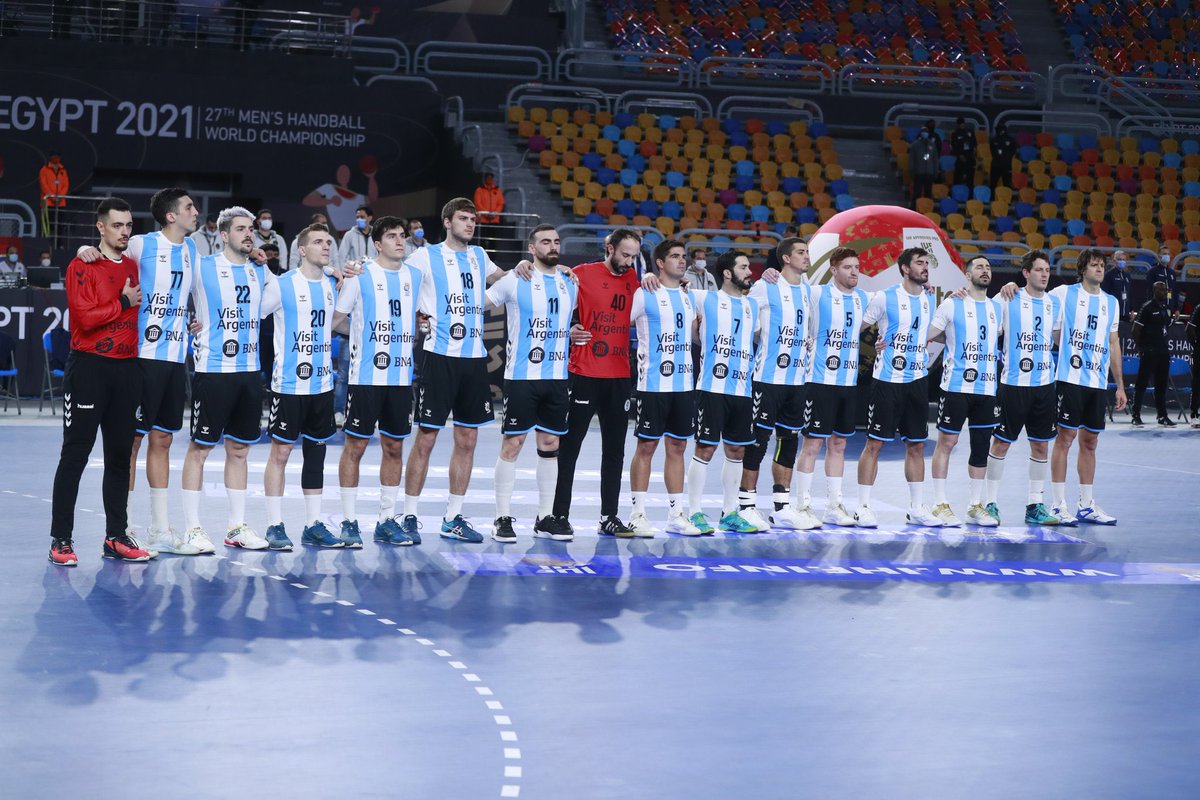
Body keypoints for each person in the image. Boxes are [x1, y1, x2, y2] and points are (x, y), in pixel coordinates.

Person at [78, 187, 201, 553]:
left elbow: (195, 292)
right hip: (141, 356)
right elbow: (105, 255)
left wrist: (195, 321)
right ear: (171, 216)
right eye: (190, 207)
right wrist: (84, 250)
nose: (196, 212)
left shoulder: (194, 249)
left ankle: (159, 529)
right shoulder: (143, 244)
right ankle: (122, 527)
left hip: (176, 358)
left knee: (162, 440)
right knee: (130, 443)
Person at [49, 197, 152, 565]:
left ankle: (115, 536)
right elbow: (85, 318)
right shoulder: (82, 264)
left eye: (128, 225)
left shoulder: (135, 265)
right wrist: (123, 302)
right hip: (89, 368)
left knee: (120, 458)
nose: (124, 231)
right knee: (75, 454)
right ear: (101, 228)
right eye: (117, 225)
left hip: (127, 370)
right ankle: (60, 540)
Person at [401, 198, 510, 543]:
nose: (470, 224)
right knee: (427, 438)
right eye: (463, 218)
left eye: (473, 219)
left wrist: (535, 270)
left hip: (474, 358)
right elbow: (398, 283)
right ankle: (408, 515)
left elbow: (506, 281)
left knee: (469, 438)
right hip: (439, 356)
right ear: (447, 222)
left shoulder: (479, 256)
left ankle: (453, 516)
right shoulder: (424, 256)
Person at [179, 206, 274, 552]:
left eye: (251, 229)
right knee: (200, 450)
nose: (249, 234)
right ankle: (192, 528)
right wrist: (189, 322)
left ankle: (236, 527)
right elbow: (169, 293)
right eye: (240, 229)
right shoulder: (203, 269)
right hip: (213, 372)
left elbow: (286, 299)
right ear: (223, 235)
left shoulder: (260, 273)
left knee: (239, 450)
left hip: (249, 374)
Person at [333, 215, 423, 547]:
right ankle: (348, 521)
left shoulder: (416, 276)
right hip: (365, 378)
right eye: (392, 236)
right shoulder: (361, 275)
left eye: (403, 235)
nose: (400, 241)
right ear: (377, 243)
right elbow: (336, 320)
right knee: (355, 446)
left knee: (395, 447)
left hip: (401, 378)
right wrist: (359, 338)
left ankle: (386, 520)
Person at [486, 225, 579, 543]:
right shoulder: (515, 279)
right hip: (522, 377)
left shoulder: (570, 281)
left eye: (555, 241)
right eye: (545, 242)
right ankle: (501, 518)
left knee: (551, 447)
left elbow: (565, 324)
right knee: (512, 445)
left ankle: (545, 517)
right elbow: (479, 306)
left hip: (556, 377)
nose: (552, 246)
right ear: (531, 247)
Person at [552, 229, 643, 537]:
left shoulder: (636, 281)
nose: (629, 262)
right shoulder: (580, 274)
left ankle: (609, 516)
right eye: (624, 255)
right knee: (570, 447)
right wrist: (570, 328)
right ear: (609, 248)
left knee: (615, 450)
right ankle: (559, 514)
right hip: (584, 372)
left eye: (633, 256)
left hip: (619, 375)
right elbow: (552, 307)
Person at [259, 224, 343, 550]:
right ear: (302, 250)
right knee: (280, 452)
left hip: (322, 384)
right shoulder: (282, 285)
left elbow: (337, 321)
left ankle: (312, 525)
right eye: (319, 242)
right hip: (289, 384)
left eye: (328, 242)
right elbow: (255, 315)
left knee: (316, 454)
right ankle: (274, 525)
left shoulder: (332, 285)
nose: (326, 246)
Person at [853, 247, 942, 528]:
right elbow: (858, 326)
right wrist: (872, 346)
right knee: (874, 444)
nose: (925, 267)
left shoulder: (929, 297)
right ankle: (863, 507)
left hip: (917, 380)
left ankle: (916, 508)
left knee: (916, 445)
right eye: (919, 263)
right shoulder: (884, 297)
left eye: (927, 263)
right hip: (887, 381)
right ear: (905, 268)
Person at [739, 236, 815, 530]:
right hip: (767, 379)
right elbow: (743, 315)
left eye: (807, 251)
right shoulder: (765, 285)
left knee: (789, 442)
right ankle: (746, 506)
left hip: (797, 380)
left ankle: (781, 508)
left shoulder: (807, 289)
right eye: (800, 252)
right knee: (757, 442)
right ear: (785, 258)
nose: (806, 256)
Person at [985, 251, 1065, 526]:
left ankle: (1035, 505)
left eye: (1047, 270)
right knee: (1001, 443)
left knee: (1040, 445)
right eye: (1039, 270)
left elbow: (1057, 338)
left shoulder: (1055, 303)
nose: (1045, 274)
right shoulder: (1008, 297)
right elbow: (986, 323)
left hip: (1044, 385)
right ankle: (990, 503)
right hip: (1013, 384)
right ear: (1026, 273)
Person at [685, 251, 761, 534]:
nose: (749, 271)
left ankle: (729, 513)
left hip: (743, 388)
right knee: (705, 448)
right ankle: (694, 512)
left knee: (737, 450)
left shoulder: (753, 304)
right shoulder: (704, 298)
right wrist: (647, 277)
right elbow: (671, 290)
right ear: (727, 273)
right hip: (711, 387)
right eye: (743, 267)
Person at [794, 247, 870, 526]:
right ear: (834, 269)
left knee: (839, 444)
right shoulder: (817, 294)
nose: (854, 272)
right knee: (812, 444)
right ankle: (802, 505)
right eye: (848, 267)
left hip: (848, 382)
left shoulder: (864, 298)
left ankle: (834, 506)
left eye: (857, 267)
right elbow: (788, 290)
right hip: (819, 380)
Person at [1048, 248, 1125, 524]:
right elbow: (1047, 319)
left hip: (1097, 382)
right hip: (1070, 380)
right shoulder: (1063, 294)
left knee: (1090, 442)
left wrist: (1119, 386)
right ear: (1082, 269)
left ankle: (1086, 505)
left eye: (1102, 265)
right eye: (1094, 265)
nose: (1099, 269)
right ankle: (1057, 504)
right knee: (1065, 439)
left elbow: (1113, 342)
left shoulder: (1111, 303)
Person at [627, 239, 698, 536]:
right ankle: (637, 513)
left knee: (678, 446)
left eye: (684, 257)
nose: (682, 261)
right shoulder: (644, 293)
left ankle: (676, 514)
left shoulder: (688, 295)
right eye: (675, 257)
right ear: (659, 262)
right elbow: (621, 325)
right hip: (652, 384)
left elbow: (696, 337)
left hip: (684, 384)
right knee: (646, 446)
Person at [926, 256, 1003, 526]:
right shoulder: (952, 303)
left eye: (989, 267)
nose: (986, 271)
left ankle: (974, 505)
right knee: (947, 443)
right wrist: (949, 338)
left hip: (987, 387)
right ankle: (939, 503)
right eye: (980, 267)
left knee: (981, 446)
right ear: (967, 275)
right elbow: (928, 333)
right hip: (956, 386)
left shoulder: (997, 308)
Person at [1130, 280, 1174, 427]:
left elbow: (1166, 327)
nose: (1164, 292)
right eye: (1161, 290)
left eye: (1165, 290)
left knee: (1161, 385)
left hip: (1163, 352)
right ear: (1155, 291)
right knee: (1141, 384)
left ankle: (1162, 416)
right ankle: (1135, 415)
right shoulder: (1147, 307)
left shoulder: (1166, 308)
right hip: (1149, 352)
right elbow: (1135, 330)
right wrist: (1142, 348)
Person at [1145, 245, 1180, 315]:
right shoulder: (1152, 272)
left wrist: (1176, 309)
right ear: (1159, 256)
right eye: (1164, 254)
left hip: (1169, 308)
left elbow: (1174, 292)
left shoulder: (1172, 273)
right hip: (1156, 308)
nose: (1167, 256)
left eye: (1168, 254)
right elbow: (1149, 291)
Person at [910, 128, 938, 206]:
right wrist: (912, 171)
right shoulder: (915, 145)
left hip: (929, 172)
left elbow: (935, 159)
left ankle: (928, 209)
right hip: (919, 172)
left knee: (928, 192)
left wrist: (935, 171)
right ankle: (914, 208)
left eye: (926, 132)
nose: (925, 133)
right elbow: (911, 159)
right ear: (921, 133)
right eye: (923, 132)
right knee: (917, 192)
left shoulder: (932, 144)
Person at [988, 122, 1016, 189]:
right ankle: (992, 198)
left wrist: (1007, 157)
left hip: (1006, 165)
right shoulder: (994, 140)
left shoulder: (1011, 140)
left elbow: (1013, 150)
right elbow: (992, 150)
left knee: (1007, 184)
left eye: (999, 130)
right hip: (996, 165)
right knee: (993, 184)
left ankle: (1007, 199)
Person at [951, 117, 977, 187]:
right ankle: (956, 193)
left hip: (970, 157)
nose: (961, 125)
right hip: (960, 158)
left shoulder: (970, 132)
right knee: (958, 177)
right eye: (960, 124)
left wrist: (974, 152)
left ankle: (970, 195)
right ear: (958, 125)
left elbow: (974, 143)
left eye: (962, 123)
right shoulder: (955, 133)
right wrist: (959, 155)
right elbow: (954, 146)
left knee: (970, 178)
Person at [1187, 303, 1200, 427]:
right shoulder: (1199, 309)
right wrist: (1196, 346)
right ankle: (1194, 414)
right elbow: (1189, 329)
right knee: (1197, 383)